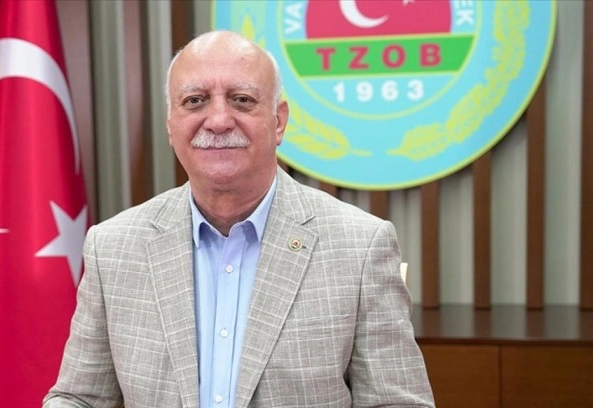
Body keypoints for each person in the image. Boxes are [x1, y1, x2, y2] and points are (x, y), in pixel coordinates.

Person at [44, 31, 434, 408]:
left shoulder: (360, 247)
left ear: (278, 121)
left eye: (242, 100)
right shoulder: (112, 248)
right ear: (170, 124)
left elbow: (398, 403)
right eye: (195, 101)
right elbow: (78, 398)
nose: (218, 121)